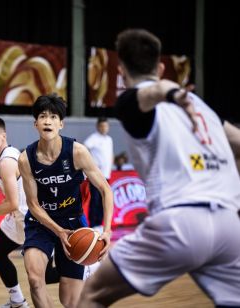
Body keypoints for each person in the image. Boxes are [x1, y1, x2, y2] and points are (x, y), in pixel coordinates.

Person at [78, 29, 240, 307]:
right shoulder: (204, 109)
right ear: (161, 66)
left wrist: (173, 92)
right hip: (229, 224)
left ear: (121, 70)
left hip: (180, 222)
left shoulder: (131, 102)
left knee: (93, 294)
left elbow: (153, 90)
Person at [18, 93, 114, 308]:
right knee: (35, 280)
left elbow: (106, 190)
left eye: (53, 117)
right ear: (36, 124)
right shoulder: (26, 159)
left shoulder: (77, 152)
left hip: (73, 224)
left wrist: (107, 231)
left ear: (61, 124)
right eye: (43, 116)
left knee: (70, 301)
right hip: (41, 223)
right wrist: (57, 231)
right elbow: (33, 205)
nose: (47, 121)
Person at [0, 116, 59, 308]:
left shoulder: (6, 162)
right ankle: (17, 301)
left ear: (4, 135)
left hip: (30, 219)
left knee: (45, 275)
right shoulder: (9, 152)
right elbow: (16, 194)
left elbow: (12, 203)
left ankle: (86, 269)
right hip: (19, 217)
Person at [83, 117, 113, 232]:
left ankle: (100, 223)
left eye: (106, 126)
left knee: (103, 199)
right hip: (96, 175)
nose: (104, 128)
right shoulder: (93, 138)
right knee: (95, 199)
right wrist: (91, 164)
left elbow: (110, 154)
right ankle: (93, 224)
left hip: (107, 174)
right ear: (98, 126)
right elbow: (84, 149)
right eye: (102, 126)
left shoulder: (109, 139)